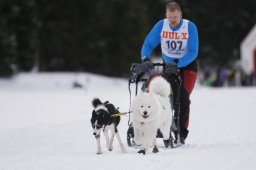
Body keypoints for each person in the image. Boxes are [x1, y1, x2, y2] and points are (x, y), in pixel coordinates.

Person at [139, 1, 199, 144]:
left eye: (175, 17)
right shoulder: (161, 25)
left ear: (180, 15)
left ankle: (182, 132)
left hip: (187, 66)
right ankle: (164, 125)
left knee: (183, 97)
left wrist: (178, 63)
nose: (173, 20)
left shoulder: (189, 27)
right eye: (170, 17)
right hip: (169, 66)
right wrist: (145, 58)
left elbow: (193, 51)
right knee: (165, 96)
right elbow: (148, 43)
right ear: (166, 15)